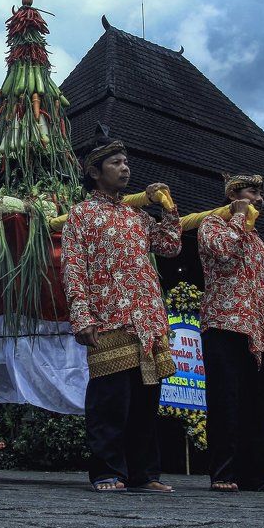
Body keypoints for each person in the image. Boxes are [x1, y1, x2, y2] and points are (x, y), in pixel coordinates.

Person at [61, 131, 181, 493]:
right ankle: (106, 471)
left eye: (126, 162)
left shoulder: (138, 215)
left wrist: (168, 208)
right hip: (107, 316)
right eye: (116, 163)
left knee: (146, 401)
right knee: (111, 400)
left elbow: (170, 246)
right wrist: (82, 316)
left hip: (147, 319)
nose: (125, 168)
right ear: (95, 173)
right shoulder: (81, 215)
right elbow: (73, 267)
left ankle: (144, 475)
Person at [199, 174, 264, 494]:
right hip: (225, 323)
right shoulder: (213, 225)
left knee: (259, 404)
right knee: (226, 401)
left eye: (261, 192)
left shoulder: (257, 240)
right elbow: (223, 251)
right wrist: (238, 216)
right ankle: (224, 473)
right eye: (252, 191)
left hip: (261, 329)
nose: (259, 197)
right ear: (234, 195)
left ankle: (258, 476)